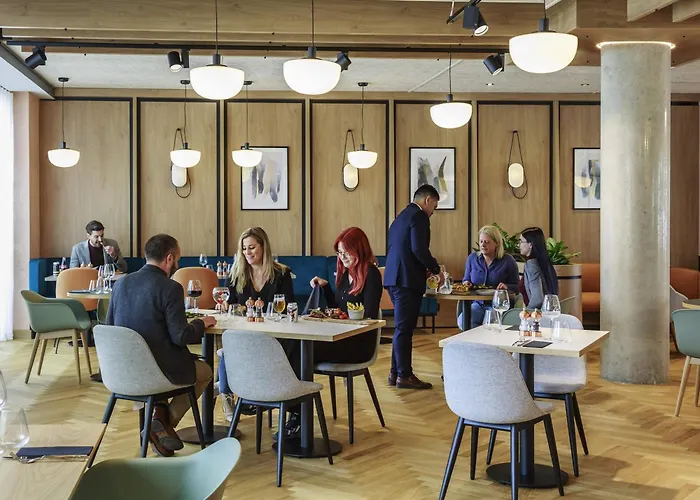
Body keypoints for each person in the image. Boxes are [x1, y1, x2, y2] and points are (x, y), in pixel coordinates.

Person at [105, 233, 216, 457]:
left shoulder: (121, 284)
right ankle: (160, 424)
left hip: (121, 371)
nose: (177, 265)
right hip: (158, 372)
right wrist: (200, 322)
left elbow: (109, 327)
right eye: (178, 260)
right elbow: (181, 337)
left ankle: (158, 421)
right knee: (205, 372)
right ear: (169, 258)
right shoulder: (170, 288)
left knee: (163, 372)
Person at [214, 227, 296, 429]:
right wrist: (228, 306)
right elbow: (231, 305)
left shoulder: (281, 273)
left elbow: (288, 306)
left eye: (251, 247)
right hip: (244, 334)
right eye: (244, 249)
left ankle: (256, 394)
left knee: (228, 351)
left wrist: (266, 308)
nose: (247, 253)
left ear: (263, 247)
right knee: (229, 347)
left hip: (273, 336)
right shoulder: (236, 273)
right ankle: (227, 395)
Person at [384, 184, 442, 390]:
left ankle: (395, 373)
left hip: (393, 278)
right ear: (427, 200)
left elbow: (400, 248)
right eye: (435, 205)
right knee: (404, 330)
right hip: (407, 280)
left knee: (401, 328)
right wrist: (435, 269)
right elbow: (419, 248)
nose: (434, 211)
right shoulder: (419, 217)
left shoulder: (400, 217)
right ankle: (405, 375)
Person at [309, 227, 382, 364]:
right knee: (300, 347)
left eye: (346, 252)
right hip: (341, 337)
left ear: (359, 250)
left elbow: (369, 317)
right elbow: (338, 309)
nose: (342, 257)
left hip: (358, 344)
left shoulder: (371, 274)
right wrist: (326, 287)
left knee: (304, 350)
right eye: (339, 252)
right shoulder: (345, 275)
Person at [459, 225, 520, 329]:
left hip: (498, 305)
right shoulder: (472, 258)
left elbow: (518, 287)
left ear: (496, 243)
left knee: (491, 325)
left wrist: (507, 287)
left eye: (487, 242)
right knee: (463, 321)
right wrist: (466, 283)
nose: (483, 245)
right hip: (478, 303)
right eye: (481, 241)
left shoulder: (508, 260)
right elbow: (466, 279)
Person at [519, 227, 559, 309]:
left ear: (530, 245)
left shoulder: (531, 265)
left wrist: (526, 312)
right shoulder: (544, 262)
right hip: (549, 311)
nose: (518, 245)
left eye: (521, 241)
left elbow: (537, 299)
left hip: (537, 314)